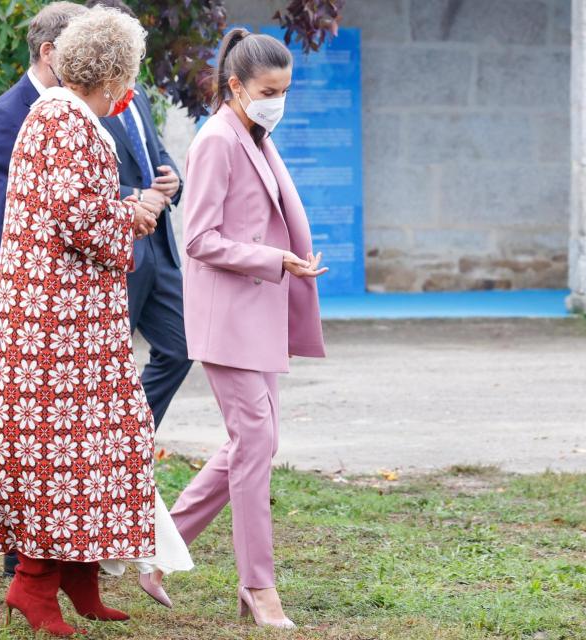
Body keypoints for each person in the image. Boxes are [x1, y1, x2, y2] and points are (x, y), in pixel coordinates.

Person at [0, 8, 191, 636]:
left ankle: (81, 574)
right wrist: (134, 216)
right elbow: (80, 220)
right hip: (59, 323)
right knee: (65, 452)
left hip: (66, 318)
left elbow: (67, 208)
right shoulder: (69, 122)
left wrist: (123, 207)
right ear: (112, 73)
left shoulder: (57, 114)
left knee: (102, 442)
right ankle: (34, 584)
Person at [168, 28, 327, 629]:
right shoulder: (216, 141)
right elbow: (200, 238)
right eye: (268, 90)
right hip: (228, 317)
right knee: (255, 443)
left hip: (259, 314)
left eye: (285, 90)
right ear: (235, 86)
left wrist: (283, 262)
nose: (278, 101)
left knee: (256, 443)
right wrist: (272, 260)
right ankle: (259, 587)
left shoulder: (256, 136)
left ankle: (161, 548)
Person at [0, 0, 88, 578]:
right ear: (48, 53)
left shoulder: (82, 109)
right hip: (20, 294)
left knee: (64, 428)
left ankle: (60, 548)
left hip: (69, 299)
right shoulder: (3, 114)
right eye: (80, 47)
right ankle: (21, 557)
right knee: (26, 426)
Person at [86, 0, 192, 437]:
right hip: (118, 246)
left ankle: (127, 436)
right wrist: (137, 195)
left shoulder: (139, 93)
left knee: (182, 347)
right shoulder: (83, 101)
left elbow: (155, 153)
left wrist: (172, 181)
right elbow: (83, 182)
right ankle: (103, 448)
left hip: (160, 246)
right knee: (108, 361)